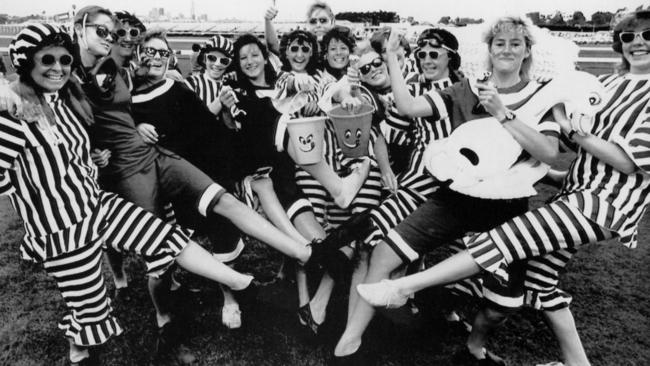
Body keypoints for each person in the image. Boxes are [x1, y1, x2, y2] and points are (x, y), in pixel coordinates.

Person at [357, 10, 650, 366]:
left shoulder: (556, 93)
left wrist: (558, 129)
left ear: (528, 50)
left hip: (604, 202)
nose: (637, 43)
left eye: (647, 35)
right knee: (540, 281)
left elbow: (624, 160)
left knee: (503, 241)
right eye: (629, 36)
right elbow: (576, 136)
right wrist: (391, 58)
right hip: (569, 190)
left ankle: (404, 288)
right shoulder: (612, 85)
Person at [68, 5, 326, 352]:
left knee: (225, 205)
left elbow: (205, 123)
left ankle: (301, 254)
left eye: (163, 53)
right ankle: (164, 318)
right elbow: (87, 114)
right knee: (158, 258)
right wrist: (106, 143)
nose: (154, 57)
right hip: (133, 171)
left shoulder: (172, 85)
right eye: (148, 51)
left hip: (179, 165)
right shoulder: (110, 74)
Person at [2, 23, 258, 366]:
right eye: (47, 59)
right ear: (25, 62)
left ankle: (244, 284)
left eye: (64, 59)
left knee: (165, 238)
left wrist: (93, 158)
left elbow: (75, 145)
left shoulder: (64, 101)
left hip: (97, 205)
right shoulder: (12, 115)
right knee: (91, 311)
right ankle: (78, 349)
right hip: (62, 231)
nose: (58, 67)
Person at [330, 16, 562, 364]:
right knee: (383, 253)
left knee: (501, 306)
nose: (507, 50)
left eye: (516, 44)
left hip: (506, 208)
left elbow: (549, 152)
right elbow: (409, 107)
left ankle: (474, 346)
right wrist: (392, 57)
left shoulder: (542, 95)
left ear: (528, 50)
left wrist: (503, 113)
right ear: (489, 49)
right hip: (453, 199)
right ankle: (349, 343)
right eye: (499, 43)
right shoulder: (467, 88)